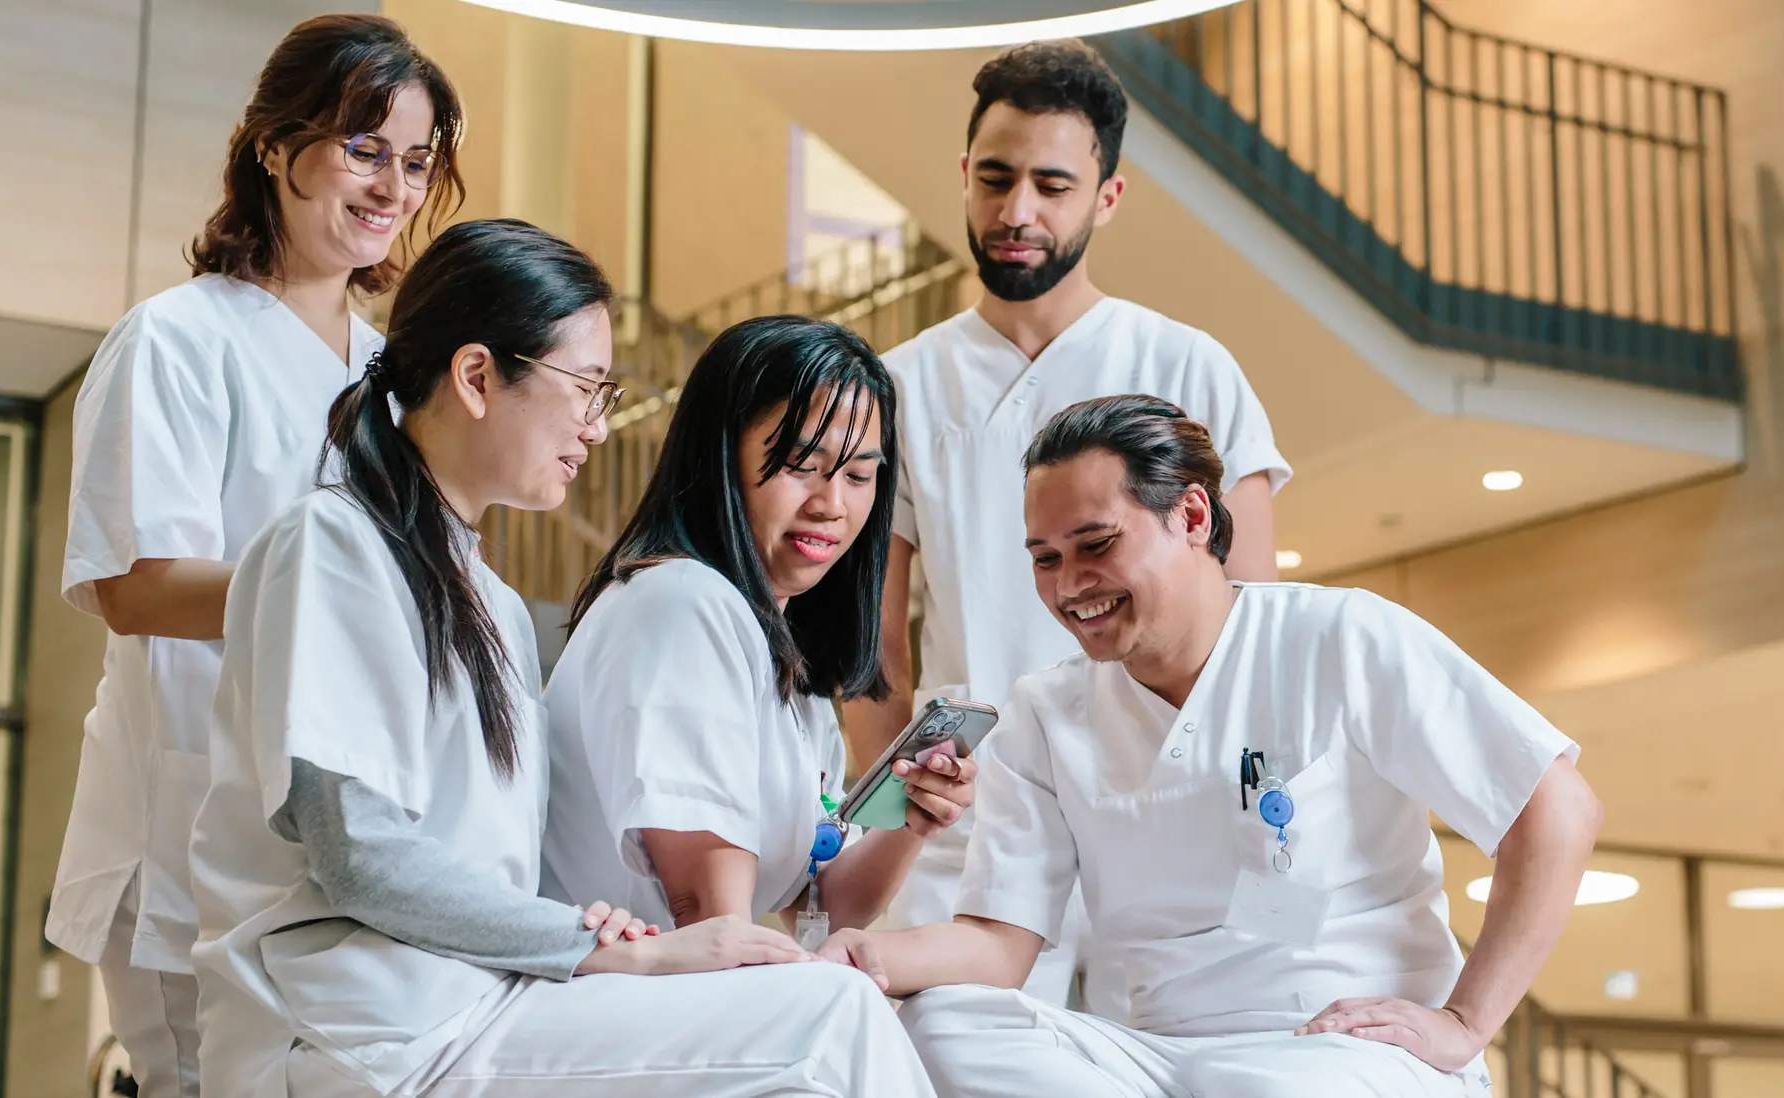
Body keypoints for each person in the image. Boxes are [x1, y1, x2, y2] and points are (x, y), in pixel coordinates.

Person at [188, 219, 934, 1098]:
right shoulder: (333, 544)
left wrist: (590, 934)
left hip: (476, 1005)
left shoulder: (496, 604)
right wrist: (592, 945)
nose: (596, 427)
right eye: (585, 387)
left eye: (603, 397)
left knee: (849, 1013)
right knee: (829, 1019)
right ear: (476, 377)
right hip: (360, 1029)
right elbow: (357, 851)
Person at [817, 395, 1605, 1098]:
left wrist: (1465, 1022)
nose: (1069, 586)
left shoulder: (1341, 636)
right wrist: (864, 958)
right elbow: (997, 945)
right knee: (942, 1023)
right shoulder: (1046, 711)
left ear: (1193, 517)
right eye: (1046, 560)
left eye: (1097, 545)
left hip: (1339, 1049)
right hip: (1157, 1059)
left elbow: (1558, 809)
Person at [45, 16, 460, 1096]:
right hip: (190, 808)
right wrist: (342, 595)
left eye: (416, 162)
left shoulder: (394, 380)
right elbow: (134, 591)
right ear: (275, 146)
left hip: (334, 833)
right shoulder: (179, 340)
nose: (393, 186)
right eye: (363, 147)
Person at [844, 38, 1291, 1007]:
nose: (1017, 212)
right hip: (971, 817)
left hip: (1171, 812)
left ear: (1106, 197)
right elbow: (875, 649)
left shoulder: (1188, 365)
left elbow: (1256, 617)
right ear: (964, 177)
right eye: (996, 179)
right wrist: (880, 814)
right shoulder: (901, 384)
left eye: (1052, 185)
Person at [540, 315, 978, 939]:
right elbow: (707, 916)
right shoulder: (683, 602)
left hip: (676, 992)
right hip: (607, 995)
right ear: (721, 456)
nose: (832, 504)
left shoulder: (785, 655)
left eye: (858, 475)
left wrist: (908, 821)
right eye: (803, 464)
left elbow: (822, 908)